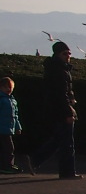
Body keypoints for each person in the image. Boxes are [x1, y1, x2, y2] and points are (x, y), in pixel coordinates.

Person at [20, 41, 80, 178]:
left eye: (69, 53)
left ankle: (35, 160)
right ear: (57, 54)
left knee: (59, 139)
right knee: (67, 143)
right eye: (65, 53)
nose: (68, 55)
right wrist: (68, 112)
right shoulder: (59, 71)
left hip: (55, 109)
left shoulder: (57, 68)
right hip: (61, 110)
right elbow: (60, 94)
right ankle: (67, 172)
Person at [0, 76, 22, 174]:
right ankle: (7, 166)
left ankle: (7, 165)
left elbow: (15, 116)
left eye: (10, 87)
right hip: (2, 128)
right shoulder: (2, 99)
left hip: (8, 128)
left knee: (7, 147)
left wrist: (17, 127)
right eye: (6, 87)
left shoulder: (12, 101)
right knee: (8, 148)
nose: (9, 89)